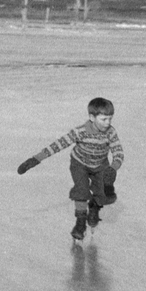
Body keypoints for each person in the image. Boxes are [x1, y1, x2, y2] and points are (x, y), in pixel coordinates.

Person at [18, 97, 123, 240]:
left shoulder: (110, 132)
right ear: (92, 117)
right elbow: (58, 144)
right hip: (80, 163)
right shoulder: (80, 131)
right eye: (104, 119)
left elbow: (118, 151)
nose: (108, 123)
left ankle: (94, 208)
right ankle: (80, 223)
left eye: (110, 119)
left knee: (101, 192)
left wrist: (113, 168)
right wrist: (36, 159)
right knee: (81, 189)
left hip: (100, 165)